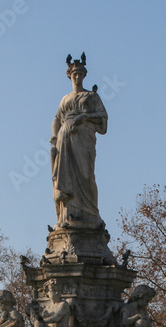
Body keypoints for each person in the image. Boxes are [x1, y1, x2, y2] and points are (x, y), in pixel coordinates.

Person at [50, 53, 107, 228]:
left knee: (86, 175)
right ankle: (67, 215)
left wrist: (84, 117)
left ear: (84, 75)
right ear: (70, 76)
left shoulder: (91, 96)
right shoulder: (65, 99)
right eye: (74, 74)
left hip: (84, 138)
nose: (77, 77)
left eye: (80, 74)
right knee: (66, 176)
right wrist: (54, 138)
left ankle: (91, 214)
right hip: (64, 141)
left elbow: (102, 116)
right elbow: (56, 120)